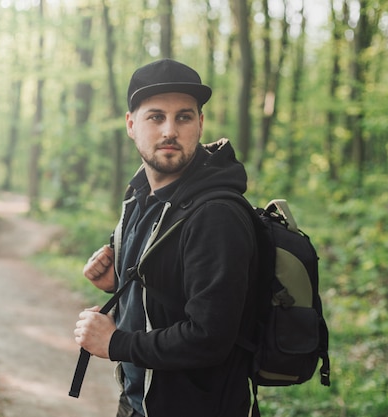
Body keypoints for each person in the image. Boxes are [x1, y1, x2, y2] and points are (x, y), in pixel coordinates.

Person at [74, 58, 258, 417]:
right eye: (155, 117)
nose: (169, 130)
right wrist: (120, 282)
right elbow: (168, 293)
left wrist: (116, 342)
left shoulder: (216, 215)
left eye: (184, 117)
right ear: (131, 124)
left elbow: (209, 338)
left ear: (200, 124)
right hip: (138, 403)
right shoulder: (142, 198)